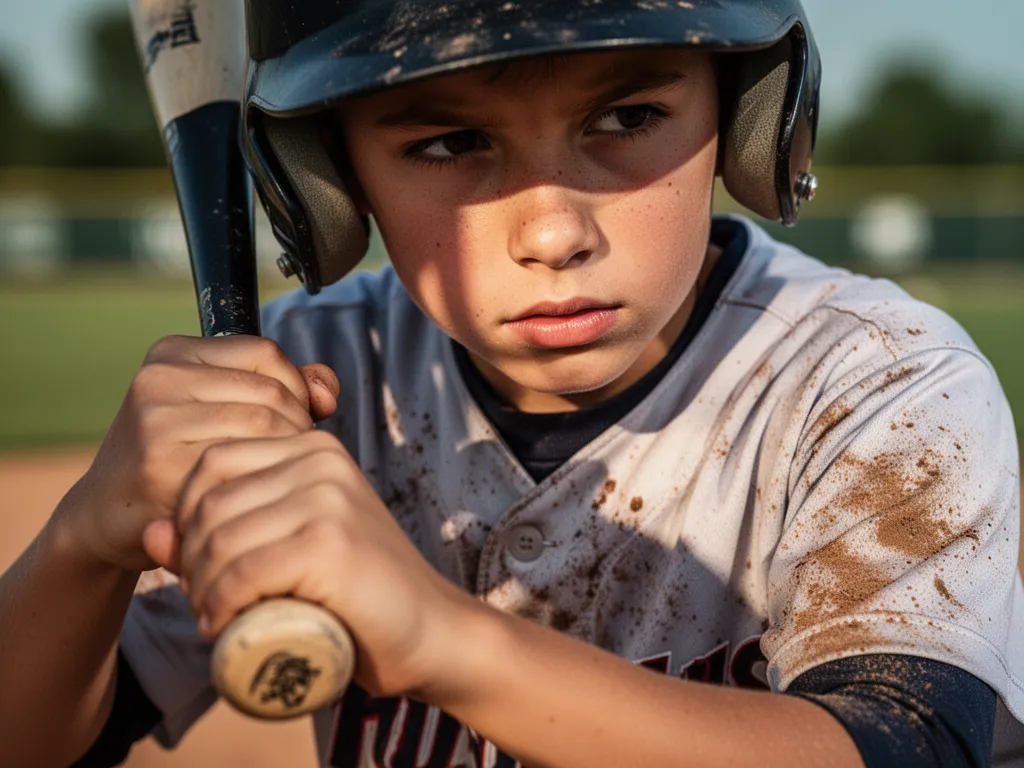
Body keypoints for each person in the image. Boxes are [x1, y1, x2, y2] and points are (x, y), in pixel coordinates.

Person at [2, 1, 1022, 766]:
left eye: (625, 116)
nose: (553, 233)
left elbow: (903, 748)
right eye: (448, 142)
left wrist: (442, 639)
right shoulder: (306, 387)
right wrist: (83, 543)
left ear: (749, 112)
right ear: (326, 178)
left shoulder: (873, 384)